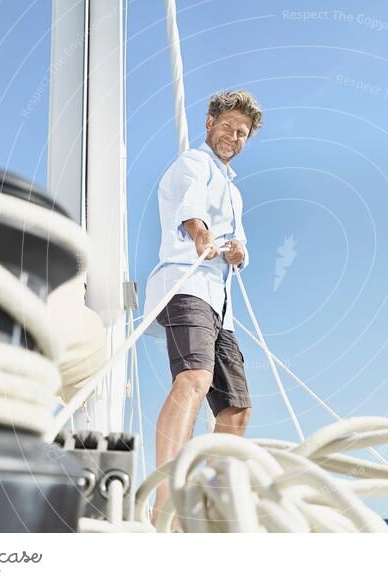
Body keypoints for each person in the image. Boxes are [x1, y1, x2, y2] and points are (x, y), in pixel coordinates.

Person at [143, 89, 263, 529]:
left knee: (236, 409)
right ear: (209, 122)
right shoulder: (193, 164)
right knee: (194, 378)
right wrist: (201, 236)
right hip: (186, 284)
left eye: (242, 132)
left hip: (221, 302)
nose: (233, 136)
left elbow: (242, 244)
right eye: (227, 126)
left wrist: (237, 252)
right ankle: (165, 508)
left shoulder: (234, 189)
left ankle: (206, 512)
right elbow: (190, 208)